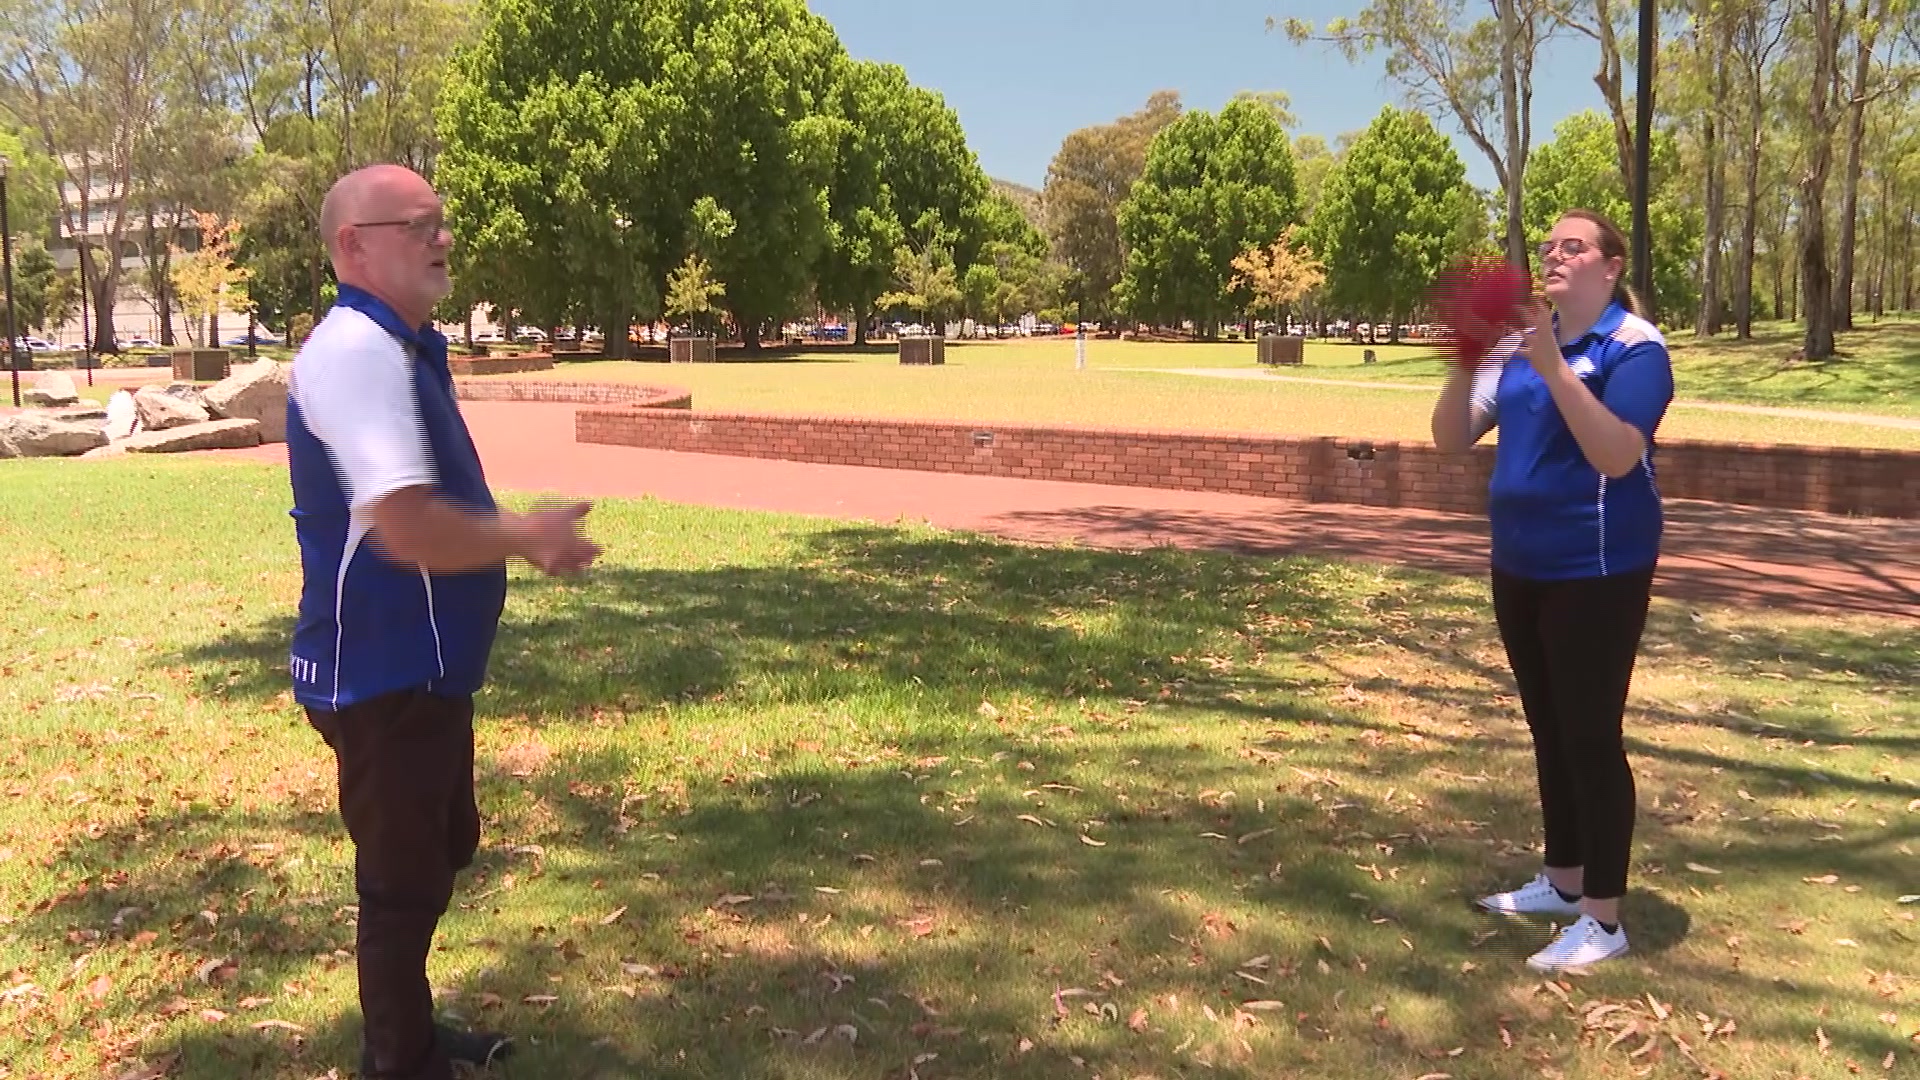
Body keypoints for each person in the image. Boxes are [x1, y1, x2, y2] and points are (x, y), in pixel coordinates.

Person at [286, 163, 602, 1078]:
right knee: (402, 883)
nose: (443, 238)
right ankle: (401, 1058)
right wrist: (525, 536)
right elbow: (407, 524)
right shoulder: (354, 351)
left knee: (441, 847)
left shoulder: (405, 345)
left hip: (424, 670)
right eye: (416, 223)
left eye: (441, 220)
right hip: (378, 674)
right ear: (354, 245)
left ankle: (412, 1034)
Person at [1430, 209, 1675, 973]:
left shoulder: (1634, 349)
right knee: (1548, 726)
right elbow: (1448, 438)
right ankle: (1565, 882)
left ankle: (1603, 920)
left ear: (1610, 265)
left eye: (1573, 246)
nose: (1554, 255)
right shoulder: (1514, 350)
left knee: (1592, 737)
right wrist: (1469, 356)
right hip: (1520, 567)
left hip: (1597, 571)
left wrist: (1554, 366)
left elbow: (1614, 454)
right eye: (1548, 246)